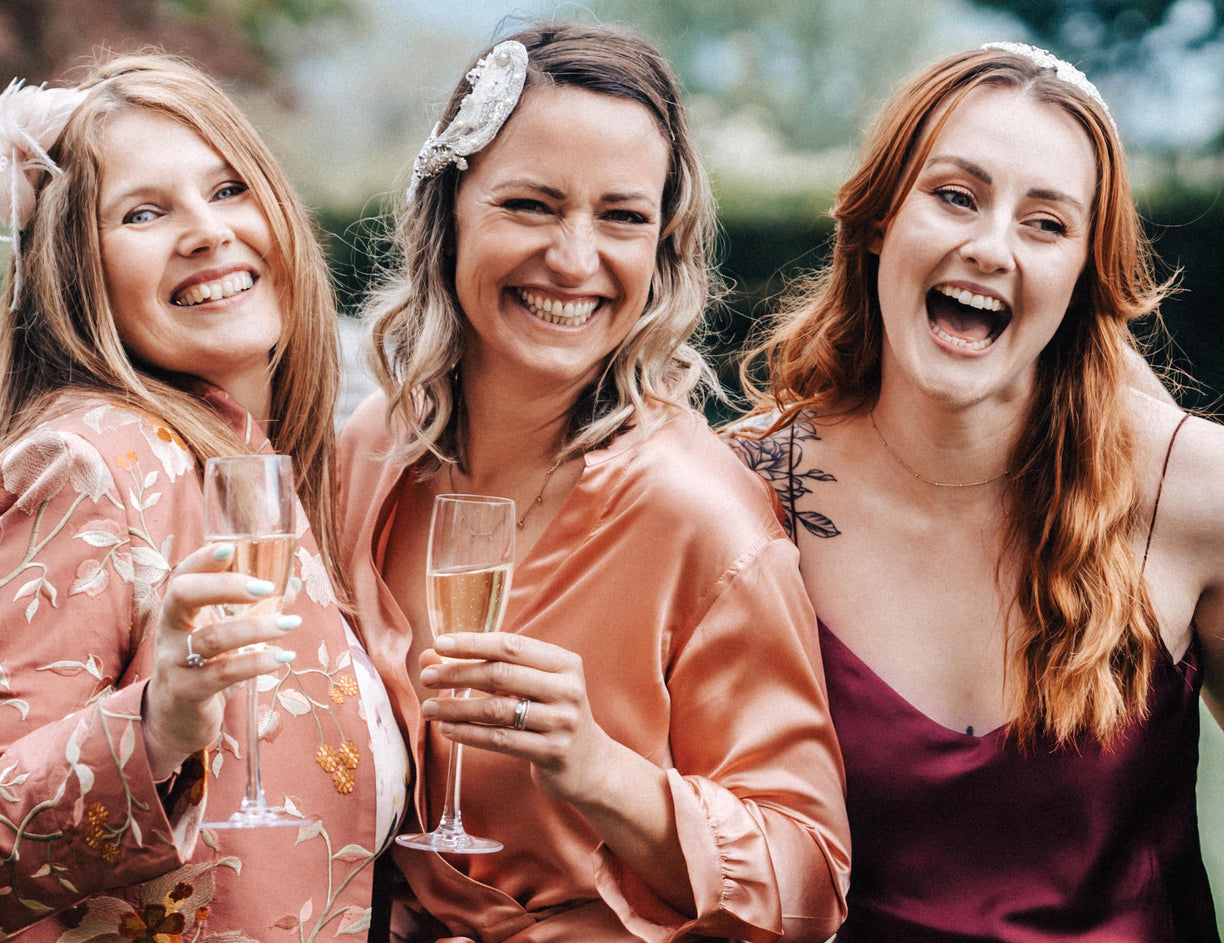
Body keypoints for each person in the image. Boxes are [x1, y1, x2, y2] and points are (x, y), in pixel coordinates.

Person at [0, 54, 407, 943]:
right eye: (143, 213)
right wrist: (155, 729)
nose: (205, 232)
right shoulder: (80, 469)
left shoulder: (252, 468)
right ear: (79, 271)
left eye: (227, 189)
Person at [338, 21, 850, 943]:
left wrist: (598, 769)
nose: (575, 261)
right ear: (448, 211)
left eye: (621, 216)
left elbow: (807, 881)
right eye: (531, 205)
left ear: (662, 246)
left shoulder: (700, 515)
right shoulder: (366, 459)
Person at [726, 42, 1223, 940]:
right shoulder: (743, 496)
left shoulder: (1191, 494)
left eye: (1046, 224)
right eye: (955, 196)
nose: (990, 246)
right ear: (879, 218)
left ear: (1080, 276)